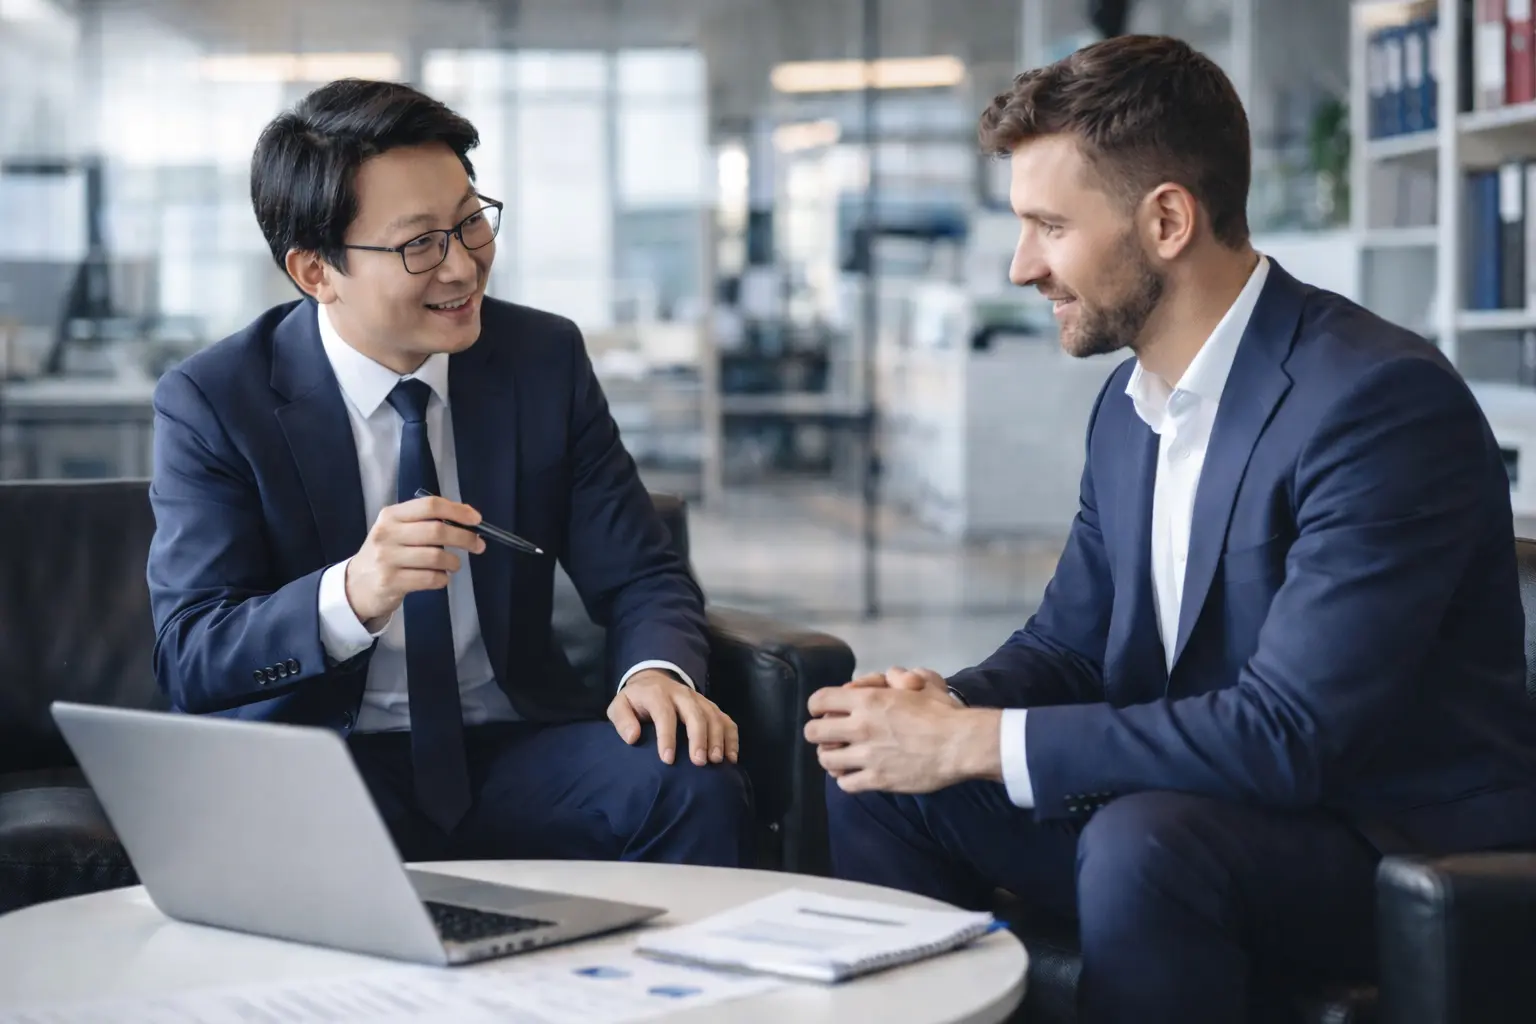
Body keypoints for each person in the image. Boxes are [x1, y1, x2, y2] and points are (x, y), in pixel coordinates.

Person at [805, 34, 1536, 1022]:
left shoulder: (1377, 402)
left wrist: (977, 740)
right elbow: (1067, 644)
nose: (1023, 267)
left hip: (1377, 838)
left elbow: (1291, 734)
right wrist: (933, 710)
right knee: (875, 779)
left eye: (1049, 226)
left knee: (1142, 843)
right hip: (1188, 812)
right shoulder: (1129, 403)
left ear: (1166, 220)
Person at [146, 78, 751, 868]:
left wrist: (656, 672)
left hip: (514, 746)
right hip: (321, 765)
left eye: (470, 222)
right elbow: (191, 654)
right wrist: (352, 595)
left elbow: (641, 572)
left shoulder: (541, 360)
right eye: (419, 244)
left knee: (687, 784)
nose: (464, 267)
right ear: (315, 272)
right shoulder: (216, 399)